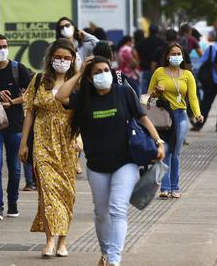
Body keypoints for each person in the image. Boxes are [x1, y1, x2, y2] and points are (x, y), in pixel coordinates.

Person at [56, 56, 165, 266]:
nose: (103, 74)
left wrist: (158, 141)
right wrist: (79, 72)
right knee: (101, 212)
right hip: (97, 165)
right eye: (97, 72)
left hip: (126, 162)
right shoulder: (84, 98)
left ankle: (114, 259)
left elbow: (142, 117)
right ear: (89, 77)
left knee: (117, 208)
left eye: (106, 70)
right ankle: (105, 253)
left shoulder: (123, 92)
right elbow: (61, 96)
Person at [19, 38, 79, 258]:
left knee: (66, 193)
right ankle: (50, 240)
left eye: (66, 58)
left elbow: (82, 114)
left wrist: (79, 138)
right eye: (58, 57)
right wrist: (24, 142)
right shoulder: (38, 80)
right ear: (50, 58)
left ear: (72, 60)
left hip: (67, 143)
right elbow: (29, 113)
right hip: (42, 142)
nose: (62, 61)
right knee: (47, 192)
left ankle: (63, 241)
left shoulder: (78, 83)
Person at [0, 33, 32, 220]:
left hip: (15, 125)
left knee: (14, 167)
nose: (2, 50)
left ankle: (13, 203)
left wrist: (12, 102)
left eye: (4, 46)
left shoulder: (18, 68)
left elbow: (30, 94)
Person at [148, 43, 203, 199]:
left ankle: (175, 187)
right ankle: (165, 188)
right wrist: (156, 93)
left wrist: (198, 114)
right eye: (173, 53)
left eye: (179, 54)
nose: (176, 56)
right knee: (165, 151)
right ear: (167, 56)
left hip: (180, 116)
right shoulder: (159, 72)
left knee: (176, 153)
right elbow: (148, 99)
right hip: (164, 118)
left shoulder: (187, 74)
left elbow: (192, 97)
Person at [192, 29, 217, 132]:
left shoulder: (211, 48)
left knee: (206, 103)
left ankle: (198, 124)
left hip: (211, 81)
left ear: (216, 37)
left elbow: (202, 61)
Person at [136, 24, 166, 93]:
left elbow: (135, 50)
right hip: (158, 70)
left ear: (149, 31)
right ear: (158, 31)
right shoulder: (161, 42)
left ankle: (144, 103)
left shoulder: (143, 41)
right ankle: (154, 103)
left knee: (145, 90)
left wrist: (139, 60)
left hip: (145, 68)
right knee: (156, 90)